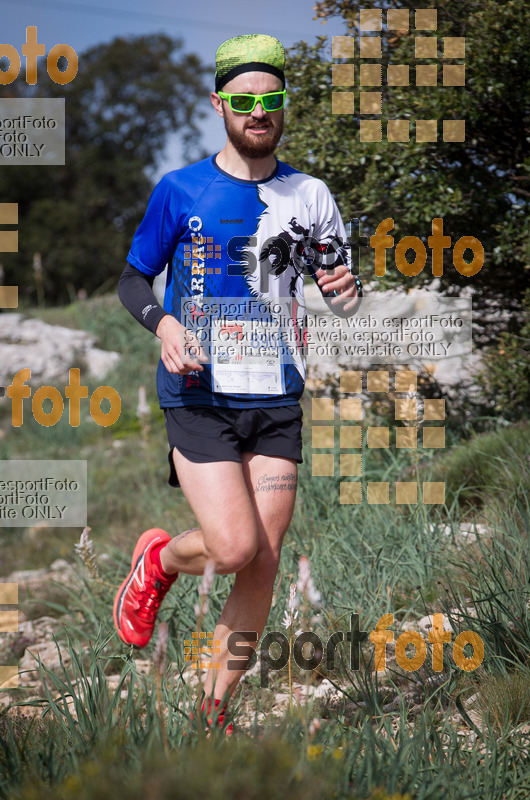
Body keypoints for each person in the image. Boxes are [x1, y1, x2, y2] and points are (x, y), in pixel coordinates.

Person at [113, 33, 361, 732]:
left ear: (284, 107)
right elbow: (133, 278)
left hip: (276, 395)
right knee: (231, 547)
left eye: (271, 100)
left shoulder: (309, 194)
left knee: (264, 560)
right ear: (220, 104)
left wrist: (344, 289)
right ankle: (159, 561)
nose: (259, 112)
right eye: (244, 100)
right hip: (199, 394)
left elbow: (339, 291)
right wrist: (162, 324)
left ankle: (212, 711)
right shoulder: (181, 189)